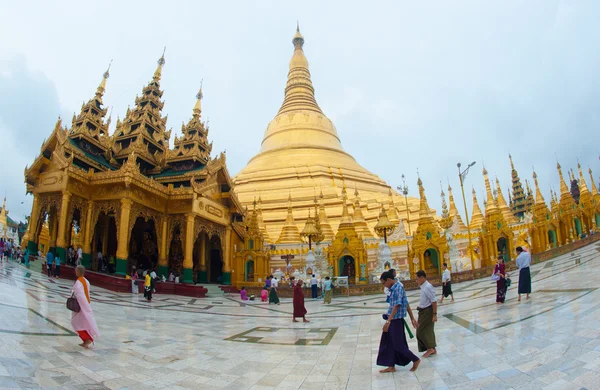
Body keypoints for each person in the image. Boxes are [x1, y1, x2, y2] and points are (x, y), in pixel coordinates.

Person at [377, 270, 420, 373]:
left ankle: (415, 359)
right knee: (389, 343)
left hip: (395, 321)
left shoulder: (397, 288)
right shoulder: (393, 288)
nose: (385, 286)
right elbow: (406, 303)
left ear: (388, 280)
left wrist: (388, 322)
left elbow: (397, 306)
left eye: (384, 283)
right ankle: (391, 365)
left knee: (398, 345)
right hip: (392, 319)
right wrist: (412, 318)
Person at [71, 265, 100, 348]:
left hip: (81, 306)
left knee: (76, 323)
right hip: (85, 304)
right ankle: (86, 340)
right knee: (83, 323)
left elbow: (79, 294)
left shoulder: (79, 282)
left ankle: (88, 339)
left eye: (76, 270)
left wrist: (82, 305)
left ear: (78, 272)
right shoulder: (86, 281)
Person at [415, 270, 437, 358]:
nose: (416, 281)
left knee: (420, 331)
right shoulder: (423, 287)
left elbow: (434, 301)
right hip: (423, 311)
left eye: (417, 279)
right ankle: (432, 348)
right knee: (427, 330)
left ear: (421, 278)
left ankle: (430, 348)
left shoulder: (428, 287)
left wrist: (434, 314)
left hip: (428, 311)